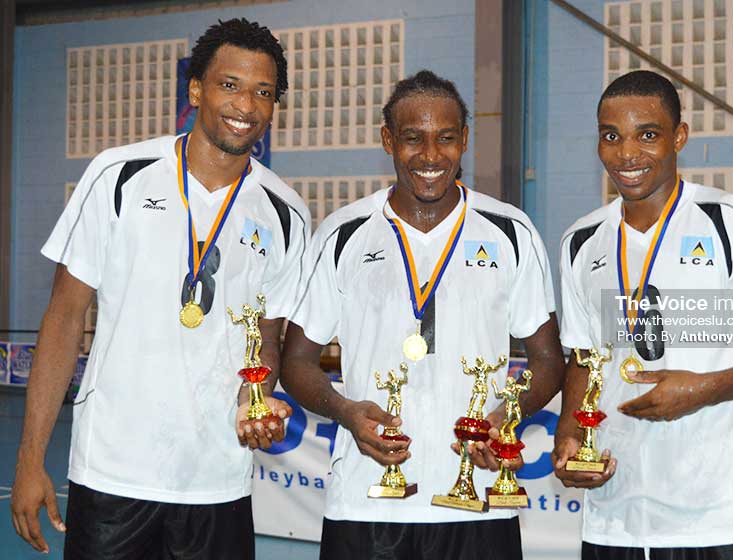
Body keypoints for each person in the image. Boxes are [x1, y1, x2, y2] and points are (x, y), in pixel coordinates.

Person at [10, 18, 310, 558]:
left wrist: (255, 399)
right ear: (195, 89)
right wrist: (31, 460)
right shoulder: (118, 176)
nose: (246, 104)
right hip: (112, 475)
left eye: (263, 92)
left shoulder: (287, 213)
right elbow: (63, 316)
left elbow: (266, 335)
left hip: (218, 479)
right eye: (230, 84)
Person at [280, 70, 566, 559]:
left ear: (465, 141)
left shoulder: (510, 231)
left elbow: (548, 360)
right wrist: (347, 413)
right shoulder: (343, 233)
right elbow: (296, 362)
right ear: (389, 139)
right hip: (366, 505)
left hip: (479, 506)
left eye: (446, 139)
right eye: (413, 138)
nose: (431, 156)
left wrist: (501, 419)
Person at [553, 70, 733, 560]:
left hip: (716, 517)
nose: (627, 154)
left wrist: (705, 388)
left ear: (679, 137)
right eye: (611, 136)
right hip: (614, 519)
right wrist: (570, 438)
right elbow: (585, 355)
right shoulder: (582, 242)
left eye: (647, 134)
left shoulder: (731, 223)